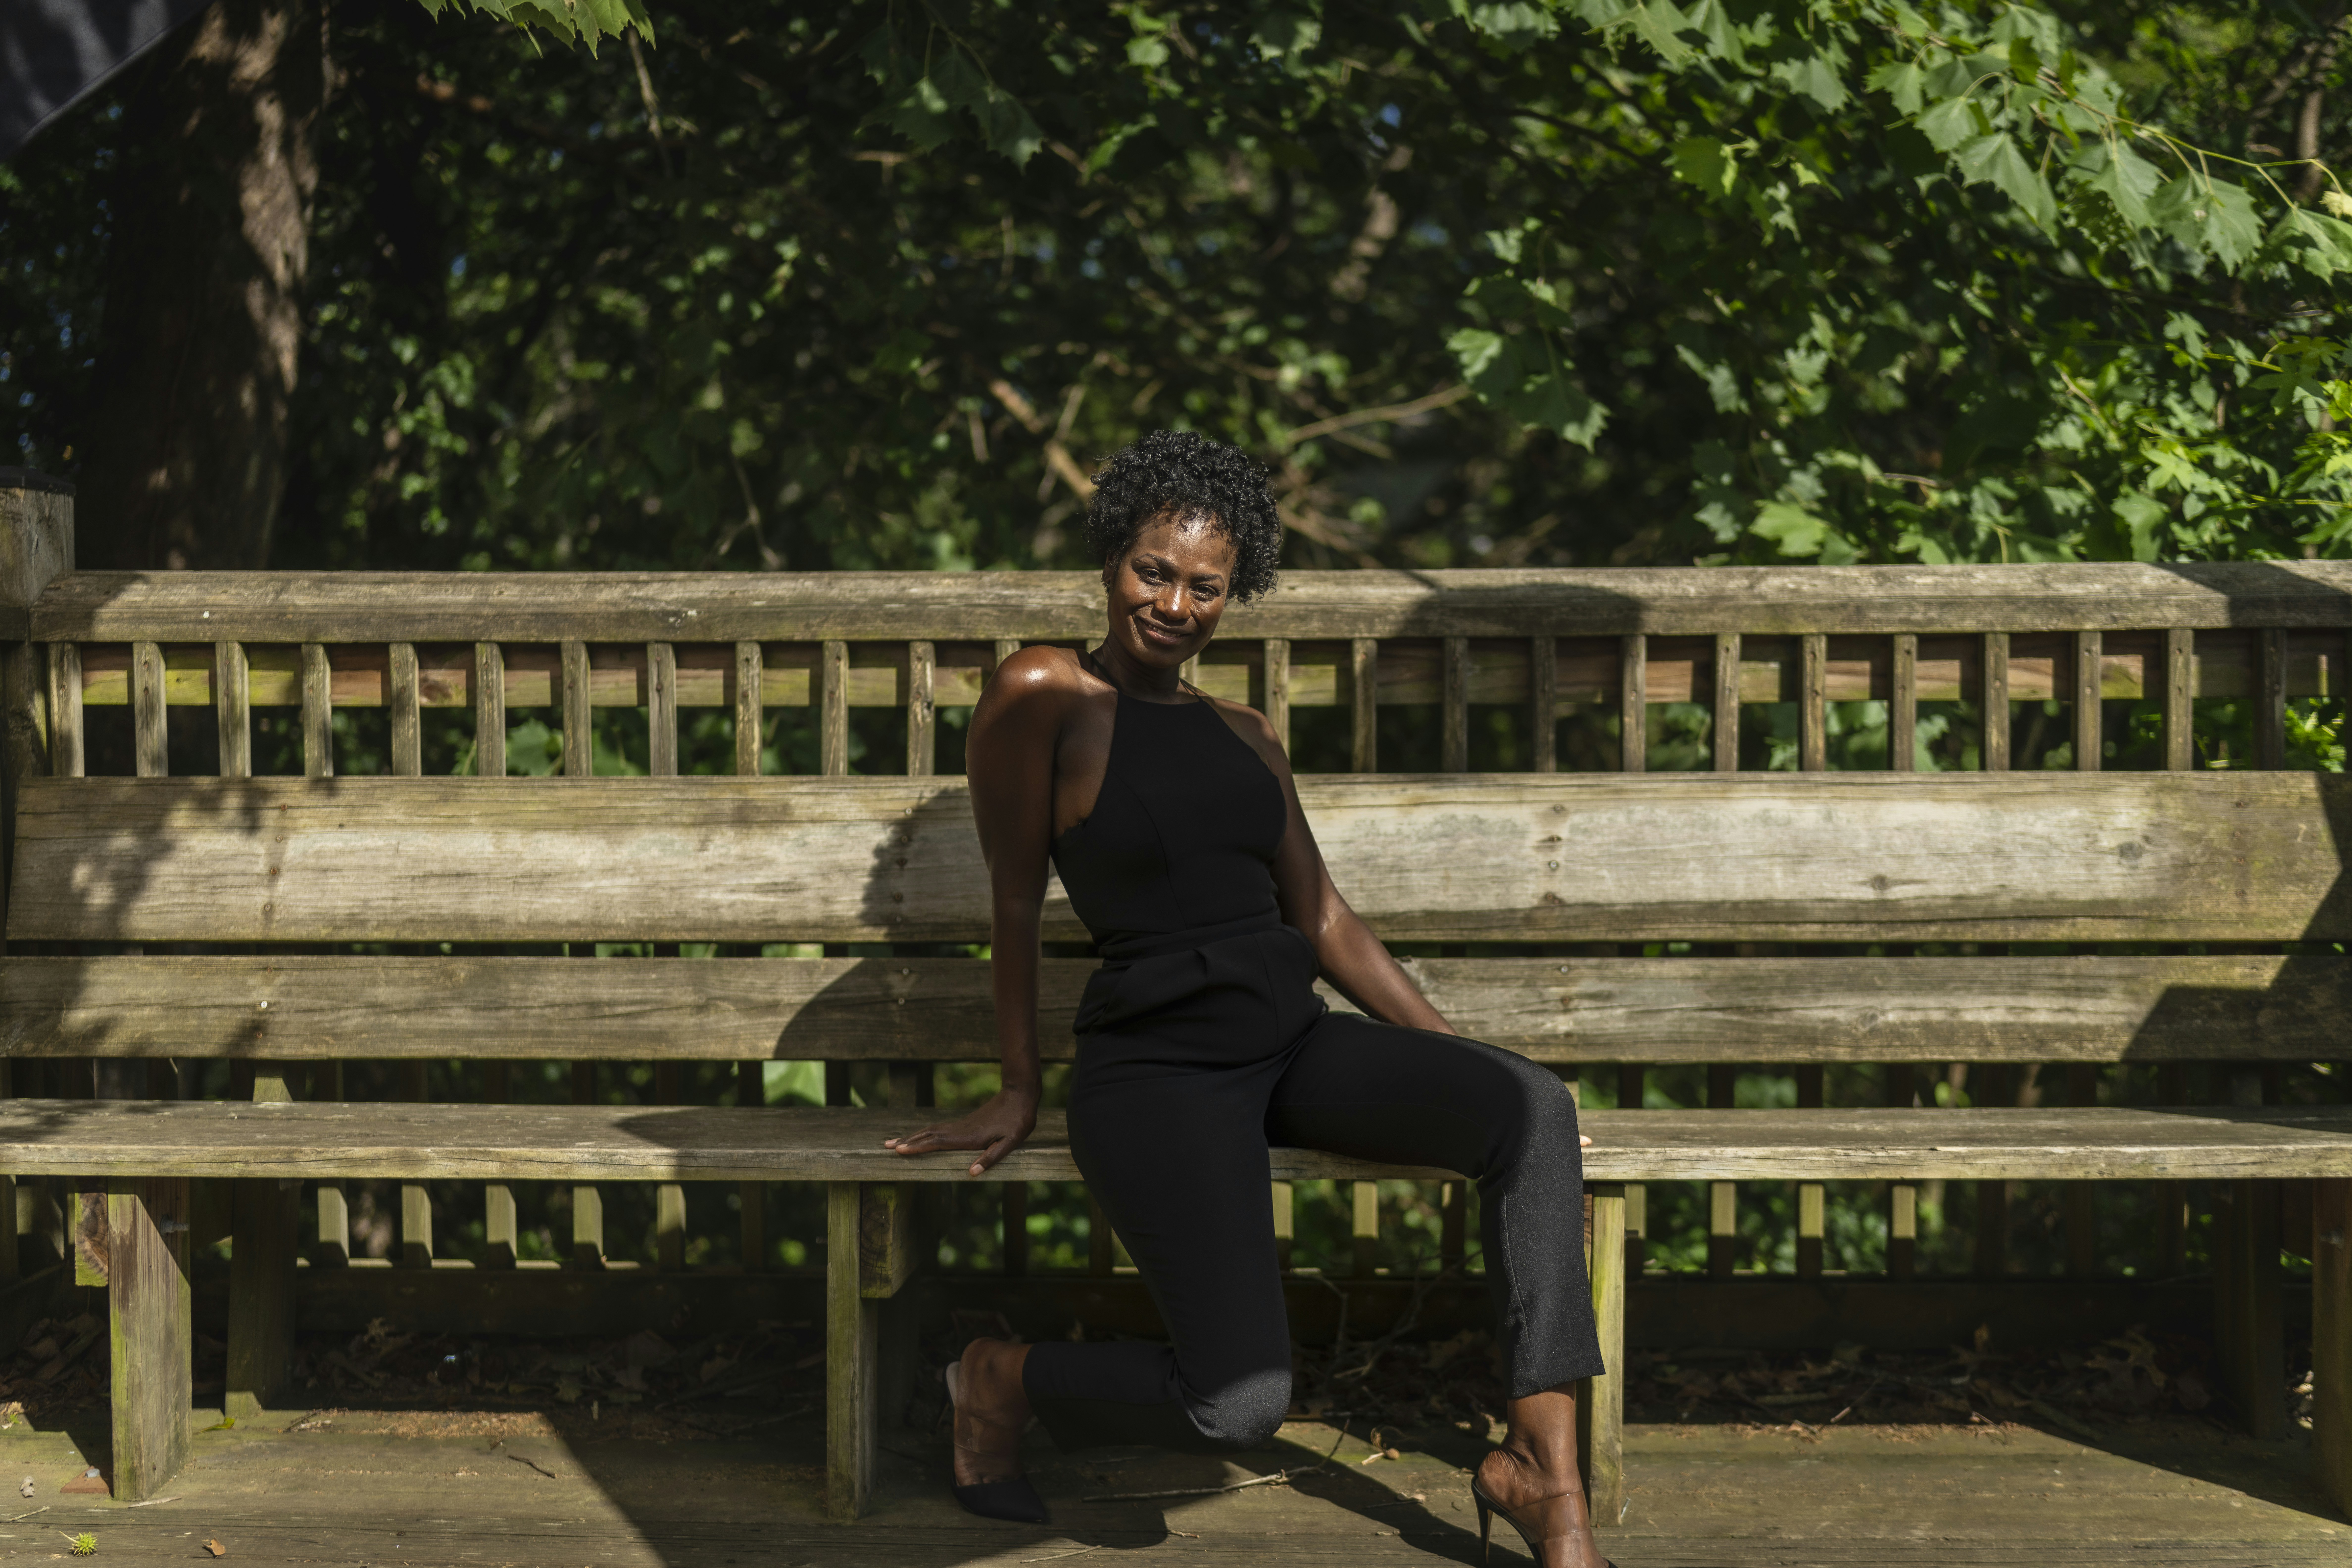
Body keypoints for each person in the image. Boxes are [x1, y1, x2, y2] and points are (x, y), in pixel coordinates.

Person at [883, 430, 1612, 1568]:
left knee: (1532, 1106)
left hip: (1293, 1046)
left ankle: (1546, 1484)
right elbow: (1016, 904)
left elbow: (1323, 923)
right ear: (1110, 562)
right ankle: (996, 1376)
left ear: (1236, 596)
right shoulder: (1044, 693)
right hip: (1159, 1073)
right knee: (1238, 1406)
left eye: (1204, 586)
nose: (1173, 603)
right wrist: (1018, 1085)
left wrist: (1462, 1078)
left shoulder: (1248, 737)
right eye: (1152, 572)